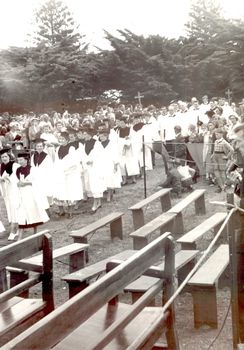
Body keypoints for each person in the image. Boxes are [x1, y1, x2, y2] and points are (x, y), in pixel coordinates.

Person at [15, 151, 50, 240]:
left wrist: (27, 183)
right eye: (18, 160)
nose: (20, 162)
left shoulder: (32, 169)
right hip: (21, 194)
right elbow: (16, 181)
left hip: (31, 193)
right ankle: (20, 237)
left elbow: (37, 181)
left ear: (26, 160)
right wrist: (18, 184)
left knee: (33, 212)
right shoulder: (18, 170)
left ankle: (35, 233)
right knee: (22, 214)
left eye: (21, 160)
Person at [53, 132, 84, 217]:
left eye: (63, 139)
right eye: (60, 139)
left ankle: (70, 211)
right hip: (60, 173)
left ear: (67, 139)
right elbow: (56, 161)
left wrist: (67, 170)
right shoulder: (58, 148)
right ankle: (61, 210)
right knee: (60, 191)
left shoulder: (71, 148)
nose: (61, 140)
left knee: (70, 192)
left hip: (70, 173)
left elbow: (74, 162)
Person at [0, 148, 19, 240]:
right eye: (2, 157)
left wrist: (8, 179)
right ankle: (17, 228)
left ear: (9, 156)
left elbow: (17, 177)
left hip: (14, 190)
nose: (4, 158)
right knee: (9, 210)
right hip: (6, 192)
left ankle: (13, 231)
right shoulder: (1, 167)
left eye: (6, 156)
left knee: (14, 209)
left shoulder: (14, 165)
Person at [98, 128, 122, 202]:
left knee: (111, 179)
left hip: (110, 163)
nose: (101, 138)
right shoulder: (98, 145)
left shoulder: (112, 144)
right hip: (102, 164)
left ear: (106, 136)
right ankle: (108, 193)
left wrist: (115, 165)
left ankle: (109, 194)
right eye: (100, 137)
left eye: (102, 136)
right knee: (105, 180)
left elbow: (115, 154)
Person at [31, 138, 54, 209]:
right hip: (36, 177)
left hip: (45, 177)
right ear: (35, 147)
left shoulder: (46, 156)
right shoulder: (33, 156)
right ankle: (42, 207)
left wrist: (48, 176)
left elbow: (50, 167)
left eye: (41, 146)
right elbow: (32, 167)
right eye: (38, 146)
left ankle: (48, 206)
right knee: (39, 192)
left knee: (46, 192)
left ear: (43, 147)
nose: (39, 147)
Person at [211, 128, 234, 192]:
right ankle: (221, 186)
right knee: (216, 171)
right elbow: (214, 150)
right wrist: (212, 155)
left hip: (221, 157)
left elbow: (232, 150)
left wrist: (227, 157)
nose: (216, 136)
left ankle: (224, 187)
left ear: (221, 134)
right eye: (215, 135)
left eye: (217, 134)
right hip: (215, 157)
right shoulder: (215, 141)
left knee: (222, 172)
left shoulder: (224, 142)